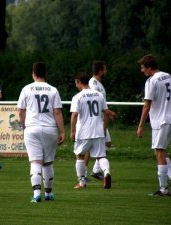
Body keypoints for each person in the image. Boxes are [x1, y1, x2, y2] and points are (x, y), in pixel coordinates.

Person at [17, 62, 65, 202]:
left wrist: (25, 127)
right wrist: (62, 131)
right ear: (46, 74)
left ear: (33, 74)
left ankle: (36, 194)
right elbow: (57, 112)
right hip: (50, 129)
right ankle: (48, 194)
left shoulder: (26, 89)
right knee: (48, 163)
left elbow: (20, 111)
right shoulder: (53, 90)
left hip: (32, 128)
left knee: (35, 162)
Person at [137, 54, 171, 196]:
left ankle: (163, 189)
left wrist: (140, 126)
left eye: (143, 68)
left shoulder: (151, 81)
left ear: (149, 67)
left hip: (161, 122)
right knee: (160, 152)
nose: (142, 71)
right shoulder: (169, 76)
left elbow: (146, 105)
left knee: (160, 152)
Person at [70, 72, 111, 189]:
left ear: (79, 82)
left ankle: (81, 183)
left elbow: (74, 116)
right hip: (98, 130)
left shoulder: (77, 97)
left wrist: (72, 131)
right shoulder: (99, 95)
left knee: (79, 156)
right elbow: (107, 113)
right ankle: (106, 172)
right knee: (101, 156)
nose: (76, 86)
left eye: (76, 83)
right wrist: (104, 129)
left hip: (84, 132)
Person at [84, 61, 117, 182]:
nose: (106, 71)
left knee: (107, 144)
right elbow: (93, 102)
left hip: (101, 120)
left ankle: (96, 170)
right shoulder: (93, 84)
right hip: (96, 121)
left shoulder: (98, 84)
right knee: (89, 147)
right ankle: (84, 174)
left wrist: (108, 112)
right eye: (105, 69)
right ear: (100, 71)